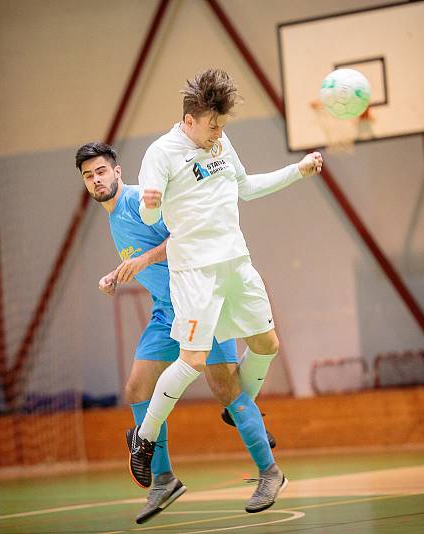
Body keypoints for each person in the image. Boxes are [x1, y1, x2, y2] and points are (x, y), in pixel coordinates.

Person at [130, 68, 324, 513]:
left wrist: (297, 171)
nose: (218, 132)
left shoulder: (220, 142)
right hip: (195, 273)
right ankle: (144, 438)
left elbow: (247, 188)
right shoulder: (160, 153)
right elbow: (145, 218)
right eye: (212, 124)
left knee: (267, 344)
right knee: (193, 361)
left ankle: (237, 410)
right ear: (190, 118)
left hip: (236, 262)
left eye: (222, 125)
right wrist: (149, 204)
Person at [75, 141, 276, 524]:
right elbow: (141, 260)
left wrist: (142, 260)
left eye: (101, 171)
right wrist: (116, 275)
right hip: (167, 311)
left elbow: (183, 238)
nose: (96, 179)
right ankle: (163, 479)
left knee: (226, 388)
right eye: (88, 175)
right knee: (136, 388)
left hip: (199, 301)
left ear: (117, 172)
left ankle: (270, 471)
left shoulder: (136, 202)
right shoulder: (113, 216)